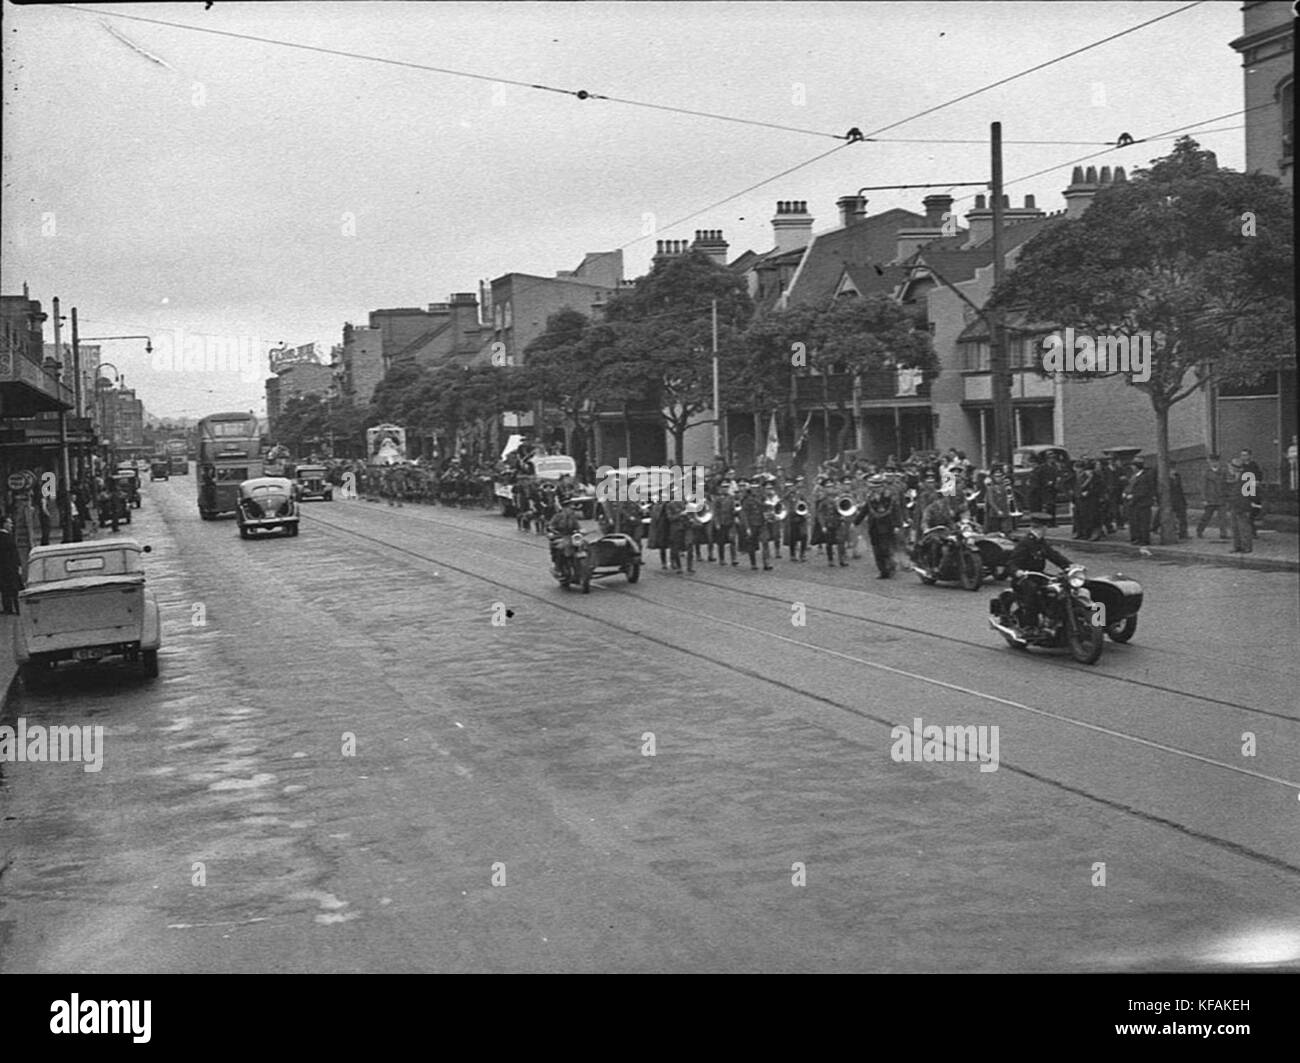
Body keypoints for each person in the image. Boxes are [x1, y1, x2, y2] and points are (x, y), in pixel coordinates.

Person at [1005, 513, 1073, 634]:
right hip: (1024, 578)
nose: (1046, 529)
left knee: (1061, 586)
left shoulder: (1041, 542)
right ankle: (1029, 626)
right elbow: (1011, 563)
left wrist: (1071, 566)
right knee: (1033, 591)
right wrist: (1018, 572)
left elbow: (1054, 556)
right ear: (1042, 528)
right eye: (1045, 527)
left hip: (1038, 575)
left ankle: (1052, 618)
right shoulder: (1025, 543)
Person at [860, 474, 900, 579]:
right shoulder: (870, 497)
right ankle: (883, 571)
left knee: (885, 549)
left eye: (876, 487)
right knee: (876, 550)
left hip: (887, 526)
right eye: (872, 487)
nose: (874, 489)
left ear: (882, 486)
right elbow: (865, 510)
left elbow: (896, 511)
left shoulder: (889, 496)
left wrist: (897, 525)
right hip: (874, 527)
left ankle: (890, 567)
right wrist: (855, 522)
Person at [547, 495, 585, 574]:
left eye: (570, 506)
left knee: (583, 544)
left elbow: (577, 525)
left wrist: (581, 530)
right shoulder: (558, 516)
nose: (570, 508)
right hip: (560, 536)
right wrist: (553, 531)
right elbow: (551, 526)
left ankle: (583, 565)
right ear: (564, 507)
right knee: (560, 548)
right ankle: (558, 567)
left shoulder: (572, 517)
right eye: (568, 506)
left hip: (571, 536)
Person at [1196, 454, 1229, 540]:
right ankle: (1199, 530)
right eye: (1212, 461)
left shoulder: (1223, 471)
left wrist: (1226, 495)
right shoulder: (1206, 473)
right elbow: (1203, 486)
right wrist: (1204, 498)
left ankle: (1223, 534)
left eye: (1216, 461)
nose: (1214, 463)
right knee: (1206, 516)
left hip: (1221, 497)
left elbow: (1226, 484)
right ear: (1209, 462)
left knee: (1223, 517)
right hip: (1210, 498)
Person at [1124, 457, 1154, 545]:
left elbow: (1143, 490)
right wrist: (1125, 493)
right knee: (1135, 522)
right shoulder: (1134, 476)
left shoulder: (1145, 477)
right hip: (1134, 503)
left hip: (1142, 503)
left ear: (1136, 467)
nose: (1132, 468)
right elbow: (1130, 487)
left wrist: (1133, 496)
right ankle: (1137, 538)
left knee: (1143, 522)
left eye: (1133, 466)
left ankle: (1144, 539)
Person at [1227, 459, 1254, 554]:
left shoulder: (1246, 477)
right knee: (1234, 527)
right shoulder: (1235, 478)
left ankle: (1246, 546)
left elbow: (1250, 493)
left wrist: (1247, 505)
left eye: (1231, 467)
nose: (1229, 469)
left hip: (1242, 506)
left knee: (1244, 527)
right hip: (1234, 505)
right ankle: (1237, 546)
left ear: (1235, 468)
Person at [0, 517, 23, 614]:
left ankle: (8, 608)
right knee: (14, 588)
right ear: (4, 524)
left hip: (3, 568)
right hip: (10, 567)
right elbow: (14, 553)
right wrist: (18, 565)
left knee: (5, 589)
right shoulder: (7, 537)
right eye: (10, 523)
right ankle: (17, 608)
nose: (11, 525)